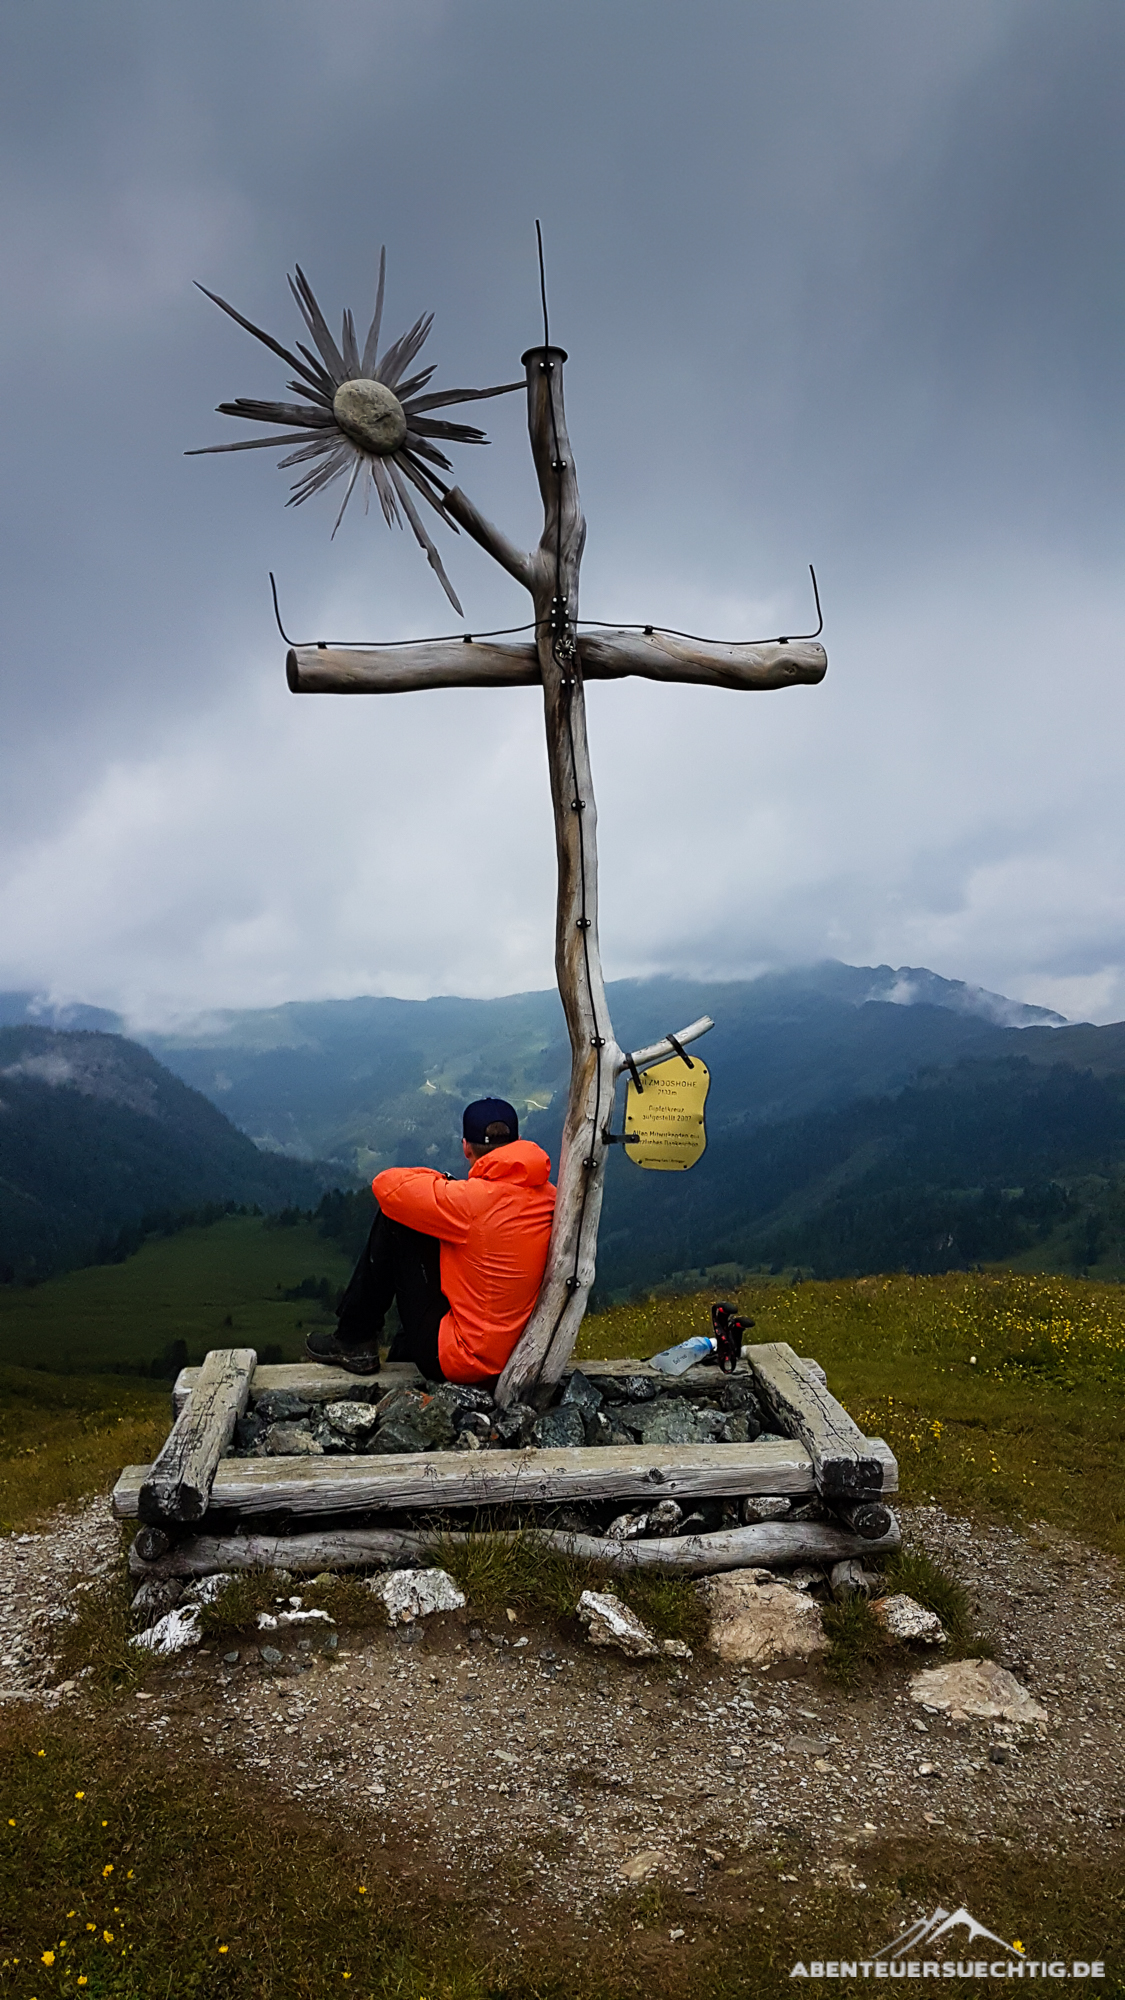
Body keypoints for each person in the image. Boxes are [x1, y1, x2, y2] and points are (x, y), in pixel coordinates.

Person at [305, 1097, 556, 1385]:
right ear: (517, 1143)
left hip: (467, 1362)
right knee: (432, 1231)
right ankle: (398, 1349)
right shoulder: (549, 1195)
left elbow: (386, 1185)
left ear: (465, 1147)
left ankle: (354, 1337)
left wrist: (442, 1182)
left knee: (396, 1218)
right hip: (520, 1348)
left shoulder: (468, 1202)